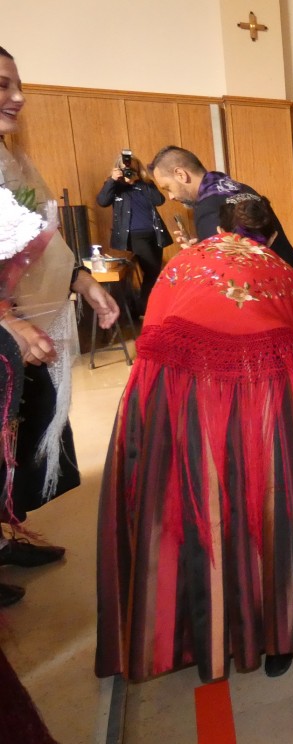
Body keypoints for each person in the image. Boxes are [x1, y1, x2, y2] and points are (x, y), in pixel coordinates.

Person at [96, 197, 293, 683]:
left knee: (194, 508)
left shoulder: (183, 264)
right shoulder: (285, 273)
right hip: (271, 401)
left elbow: (153, 331)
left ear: (218, 230)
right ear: (268, 236)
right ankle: (280, 636)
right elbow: (288, 334)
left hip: (183, 397)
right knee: (278, 513)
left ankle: (203, 632)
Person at [0, 45, 120, 606]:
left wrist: (84, 282)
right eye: (3, 85)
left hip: (31, 324)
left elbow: (41, 235)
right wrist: (8, 321)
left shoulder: (12, 159)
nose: (18, 97)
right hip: (10, 327)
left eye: (16, 83)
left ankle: (5, 534)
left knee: (19, 441)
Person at [148, 145, 293, 291]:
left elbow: (220, 274)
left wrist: (194, 256)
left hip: (268, 298)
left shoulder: (207, 207)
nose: (171, 196)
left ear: (181, 174)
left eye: (168, 187)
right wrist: (200, 247)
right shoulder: (242, 188)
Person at [96, 151, 171, 315]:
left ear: (138, 169)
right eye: (124, 169)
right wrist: (112, 180)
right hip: (134, 236)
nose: (128, 172)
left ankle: (143, 309)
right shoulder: (115, 187)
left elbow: (159, 200)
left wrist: (140, 181)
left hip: (154, 234)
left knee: (154, 272)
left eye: (132, 169)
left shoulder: (145, 184)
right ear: (118, 169)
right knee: (150, 272)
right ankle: (144, 311)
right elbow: (102, 201)